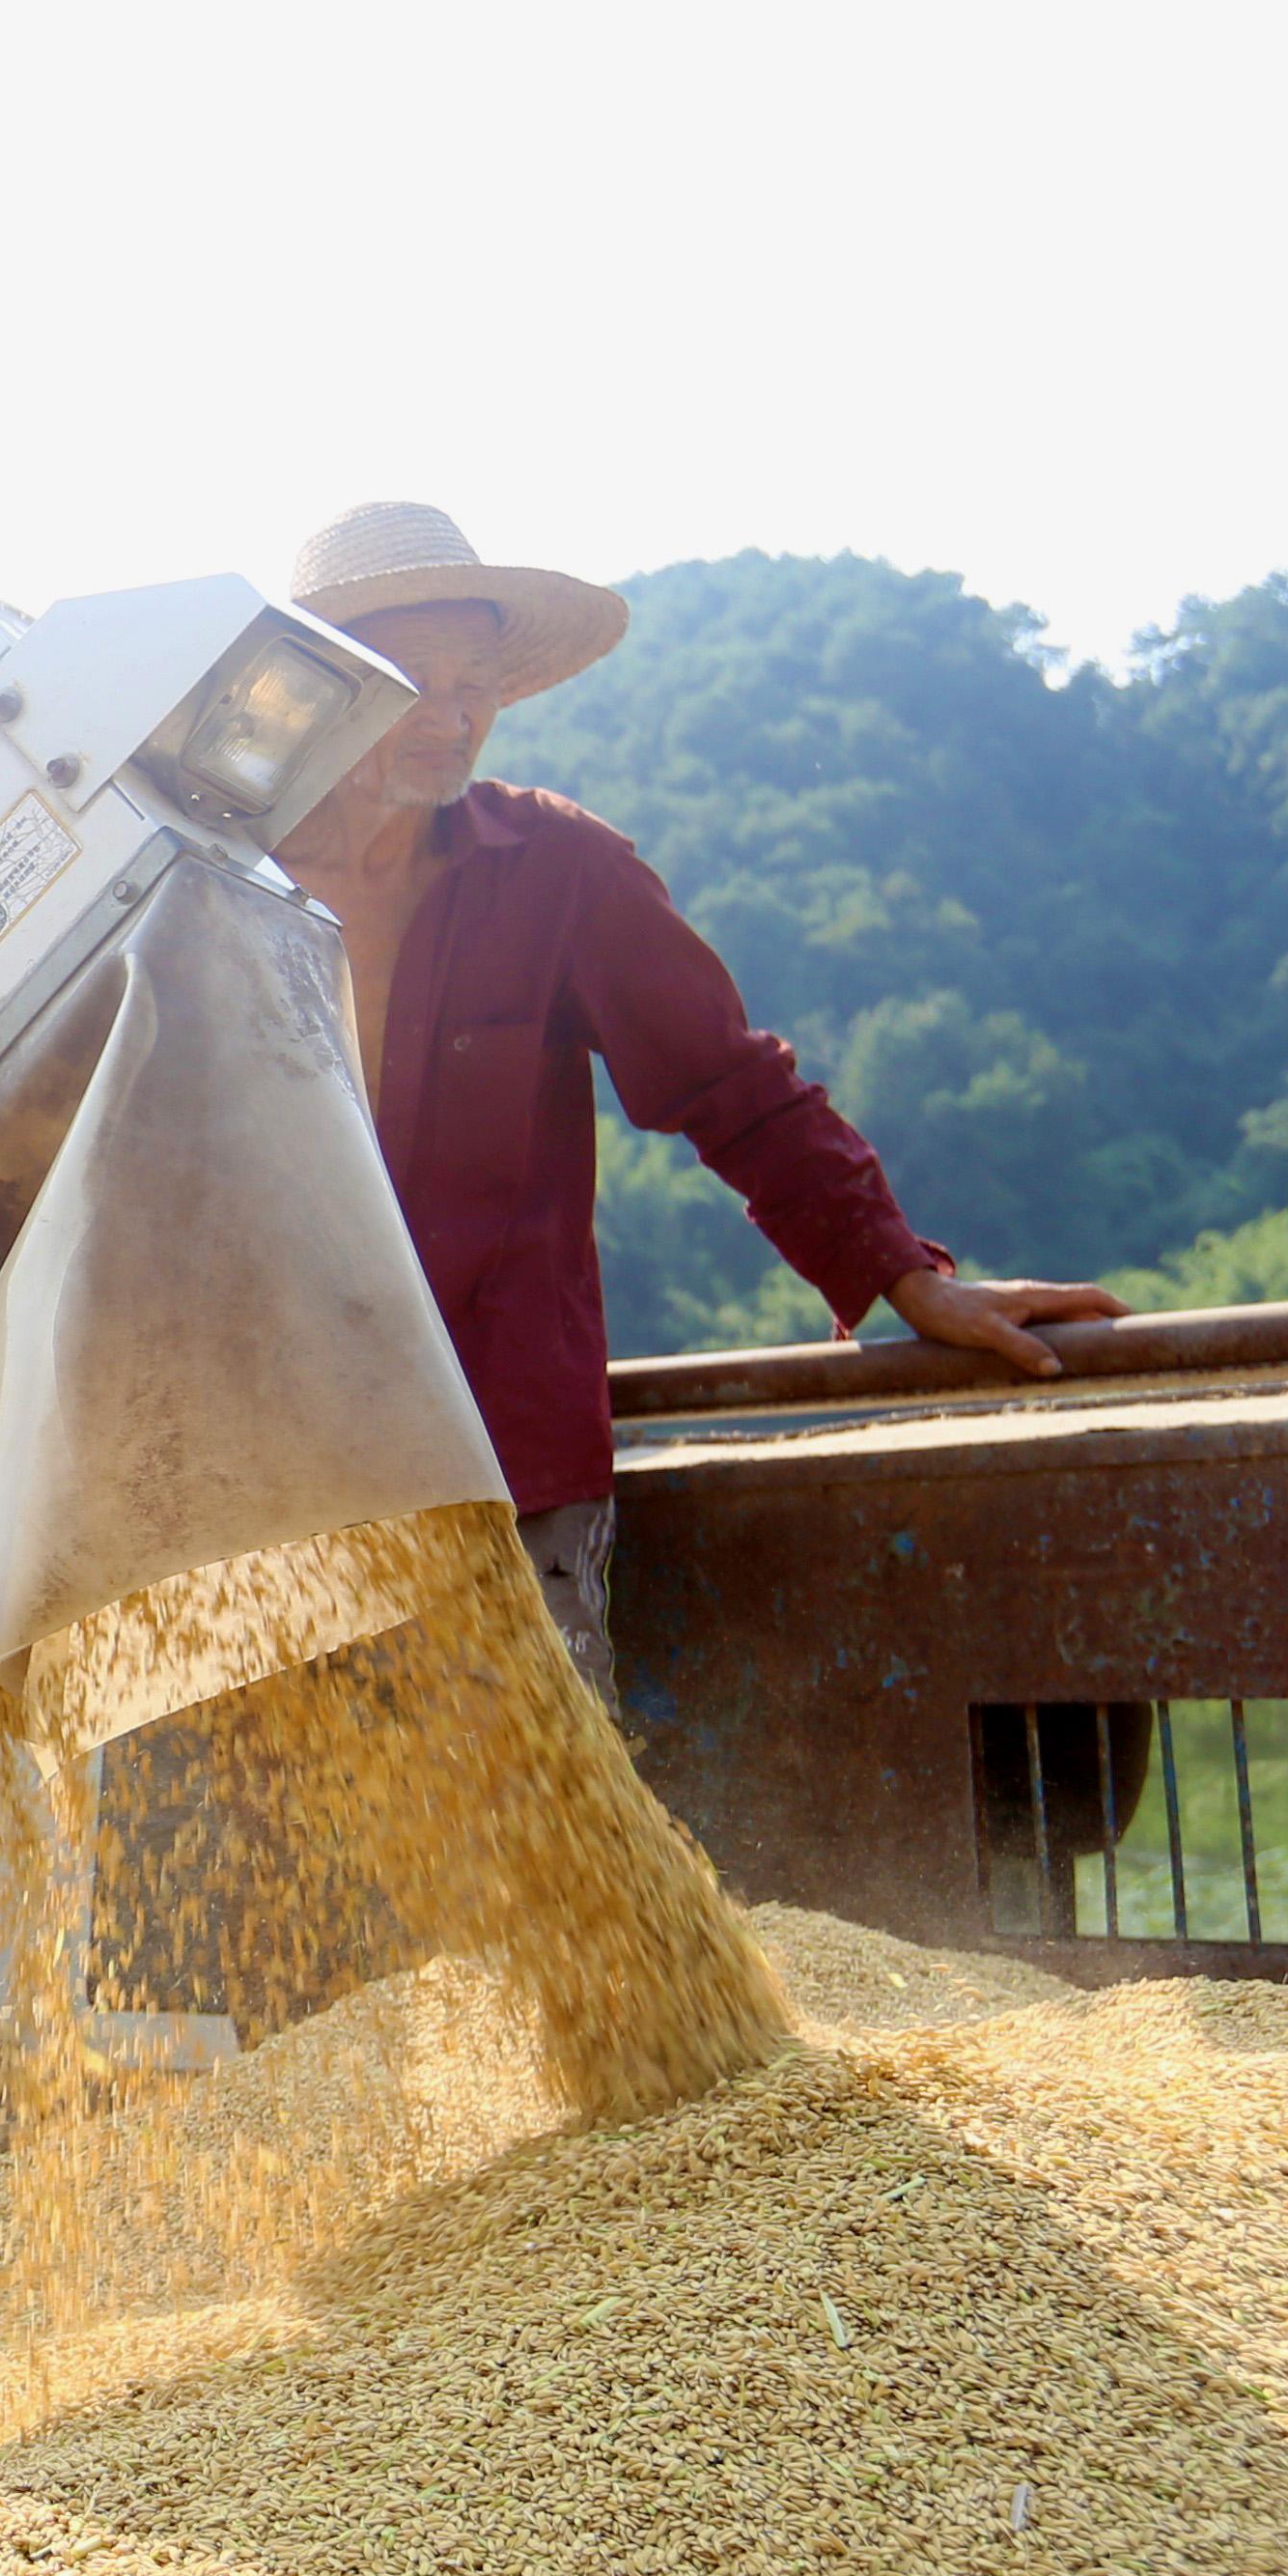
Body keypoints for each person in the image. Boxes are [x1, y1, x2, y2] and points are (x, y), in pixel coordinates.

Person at [271, 503, 1118, 1690]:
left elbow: (732, 1088)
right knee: (272, 1850)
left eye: (476, 682)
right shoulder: (206, 886)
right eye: (414, 680)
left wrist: (903, 1275)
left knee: (539, 1837)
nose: (453, 716)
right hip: (261, 1463)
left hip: (502, 1459)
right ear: (321, 684)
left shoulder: (561, 872)